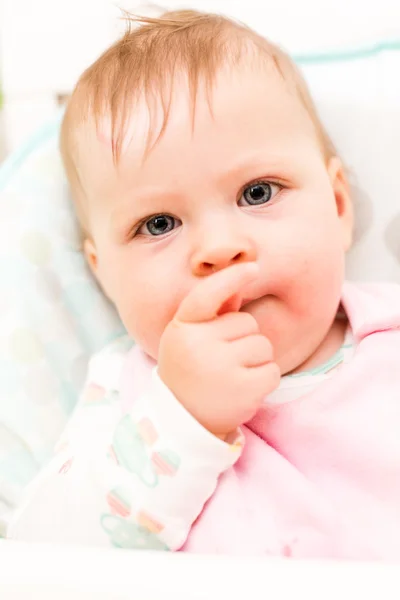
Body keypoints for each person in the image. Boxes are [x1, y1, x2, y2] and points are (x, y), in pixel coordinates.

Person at [8, 9, 400, 559]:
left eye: (259, 193)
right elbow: (38, 559)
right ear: (103, 273)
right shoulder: (127, 394)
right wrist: (182, 419)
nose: (219, 248)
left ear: (338, 207)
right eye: (159, 224)